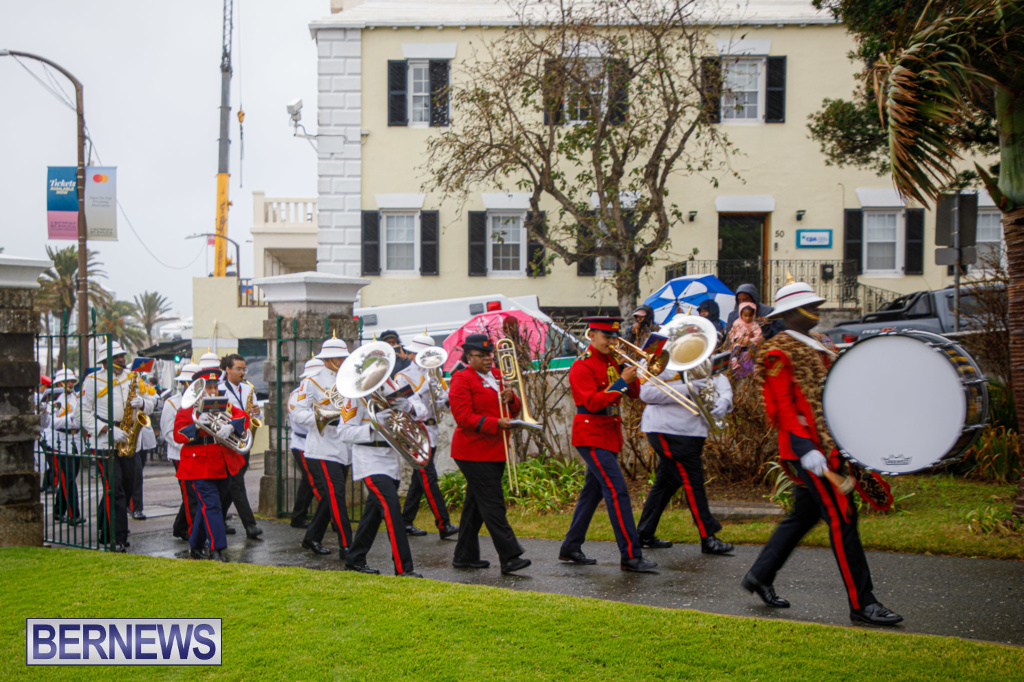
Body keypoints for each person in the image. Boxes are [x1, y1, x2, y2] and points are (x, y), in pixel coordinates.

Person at [741, 281, 902, 626]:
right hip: (810, 451)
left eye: (815, 306)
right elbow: (782, 407)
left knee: (803, 516)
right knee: (843, 518)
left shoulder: (817, 345)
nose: (815, 311)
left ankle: (760, 575)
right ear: (790, 314)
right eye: (808, 307)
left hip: (827, 445)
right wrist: (806, 449)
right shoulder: (777, 351)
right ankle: (863, 603)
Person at [559, 317, 657, 573]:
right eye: (607, 337)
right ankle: (631, 556)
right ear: (591, 335)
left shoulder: (613, 360)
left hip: (609, 433)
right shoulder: (582, 366)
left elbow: (634, 394)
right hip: (591, 434)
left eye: (615, 337)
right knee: (618, 491)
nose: (613, 342)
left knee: (591, 493)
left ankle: (570, 546)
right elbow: (592, 402)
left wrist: (630, 371)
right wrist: (622, 381)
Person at [338, 355, 428, 577]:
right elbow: (343, 432)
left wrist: (409, 407)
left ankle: (355, 558)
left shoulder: (392, 385)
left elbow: (424, 411)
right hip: (369, 461)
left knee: (372, 515)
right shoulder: (353, 397)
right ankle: (404, 569)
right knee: (392, 511)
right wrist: (375, 427)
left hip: (392, 458)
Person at [448, 334, 531, 574]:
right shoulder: (461, 379)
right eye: (482, 356)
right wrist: (496, 423)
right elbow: (463, 418)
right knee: (493, 504)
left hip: (495, 449)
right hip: (472, 451)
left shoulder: (497, 376)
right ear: (468, 357)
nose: (488, 359)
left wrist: (511, 398)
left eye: (489, 355)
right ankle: (510, 556)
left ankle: (464, 556)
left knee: (475, 506)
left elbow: (511, 407)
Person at [636, 358, 734, 554]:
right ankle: (708, 537)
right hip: (668, 429)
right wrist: (687, 388)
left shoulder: (701, 358)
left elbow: (720, 379)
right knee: (693, 482)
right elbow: (646, 393)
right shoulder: (659, 359)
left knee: (666, 484)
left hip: (694, 430)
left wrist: (724, 400)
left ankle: (643, 534)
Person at [80, 341, 156, 552]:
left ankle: (106, 529)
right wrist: (105, 429)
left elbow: (153, 401)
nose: (122, 359)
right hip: (106, 440)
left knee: (129, 487)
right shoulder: (92, 381)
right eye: (117, 357)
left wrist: (143, 404)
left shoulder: (134, 377)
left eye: (122, 356)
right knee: (116, 490)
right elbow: (82, 412)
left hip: (129, 437)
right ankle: (118, 538)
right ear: (104, 361)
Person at [173, 367, 250, 562]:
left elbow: (244, 416)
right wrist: (198, 426)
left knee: (206, 507)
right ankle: (218, 549)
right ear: (200, 389)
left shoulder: (223, 405)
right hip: (198, 464)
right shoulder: (187, 408)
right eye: (209, 388)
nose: (213, 392)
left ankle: (196, 545)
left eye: (215, 386)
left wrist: (232, 425)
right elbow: (178, 435)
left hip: (222, 463)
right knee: (212, 506)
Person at [293, 339, 355, 558]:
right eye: (339, 357)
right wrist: (324, 417)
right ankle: (347, 545)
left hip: (344, 447)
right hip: (321, 448)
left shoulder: (351, 380)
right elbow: (297, 413)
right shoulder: (312, 382)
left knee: (331, 498)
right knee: (337, 495)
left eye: (345, 357)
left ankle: (312, 537)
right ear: (328, 359)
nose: (343, 361)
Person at [396, 334, 459, 540]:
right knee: (428, 478)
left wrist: (443, 397)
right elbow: (412, 409)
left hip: (431, 430)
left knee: (419, 479)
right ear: (414, 354)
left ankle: (405, 521)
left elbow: (442, 404)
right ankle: (444, 523)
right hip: (415, 431)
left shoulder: (436, 373)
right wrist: (424, 389)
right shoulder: (403, 377)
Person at [219, 353, 263, 540]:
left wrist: (257, 412)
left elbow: (255, 416)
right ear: (227, 369)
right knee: (236, 484)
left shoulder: (247, 388)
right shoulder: (220, 390)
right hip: (228, 441)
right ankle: (250, 525)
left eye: (244, 369)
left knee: (230, 484)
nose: (242, 372)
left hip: (244, 440)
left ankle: (218, 519)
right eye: (238, 368)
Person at [287, 358, 324, 529]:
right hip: (302, 442)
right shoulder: (297, 395)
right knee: (315, 482)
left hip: (318, 441)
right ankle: (326, 515)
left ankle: (298, 516)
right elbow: (302, 420)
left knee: (309, 482)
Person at [163, 363, 199, 542]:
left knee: (194, 493)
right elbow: (168, 432)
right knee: (189, 494)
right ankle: (191, 532)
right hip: (180, 454)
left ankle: (180, 527)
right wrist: (186, 446)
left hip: (197, 453)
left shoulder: (201, 401)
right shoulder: (172, 403)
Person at [49, 368, 84, 525]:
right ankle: (73, 514)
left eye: (72, 381)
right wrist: (71, 418)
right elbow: (52, 423)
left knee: (69, 477)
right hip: (61, 441)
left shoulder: (76, 397)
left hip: (76, 440)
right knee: (68, 480)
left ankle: (58, 510)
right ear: (60, 383)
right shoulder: (54, 400)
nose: (71, 384)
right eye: (68, 381)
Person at [130, 378, 159, 521]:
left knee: (138, 474)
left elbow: (153, 403)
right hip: (129, 437)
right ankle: (135, 508)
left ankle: (135, 507)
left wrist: (142, 401)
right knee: (134, 476)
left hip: (142, 438)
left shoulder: (143, 388)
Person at [726, 301, 763, 376]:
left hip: (749, 343)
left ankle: (755, 366)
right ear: (741, 314)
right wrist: (735, 339)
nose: (748, 318)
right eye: (745, 315)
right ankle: (734, 362)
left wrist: (750, 341)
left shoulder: (754, 324)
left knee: (753, 352)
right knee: (735, 349)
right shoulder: (737, 323)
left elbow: (758, 335)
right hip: (739, 343)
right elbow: (731, 333)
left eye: (750, 316)